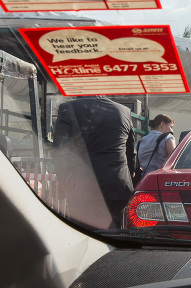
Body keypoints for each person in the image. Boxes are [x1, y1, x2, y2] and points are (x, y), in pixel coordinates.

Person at [52, 96, 136, 229]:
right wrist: (129, 176)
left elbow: (59, 151)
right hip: (117, 186)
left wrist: (65, 183)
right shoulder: (124, 110)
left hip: (82, 187)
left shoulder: (68, 108)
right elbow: (131, 153)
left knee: (83, 233)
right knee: (113, 235)